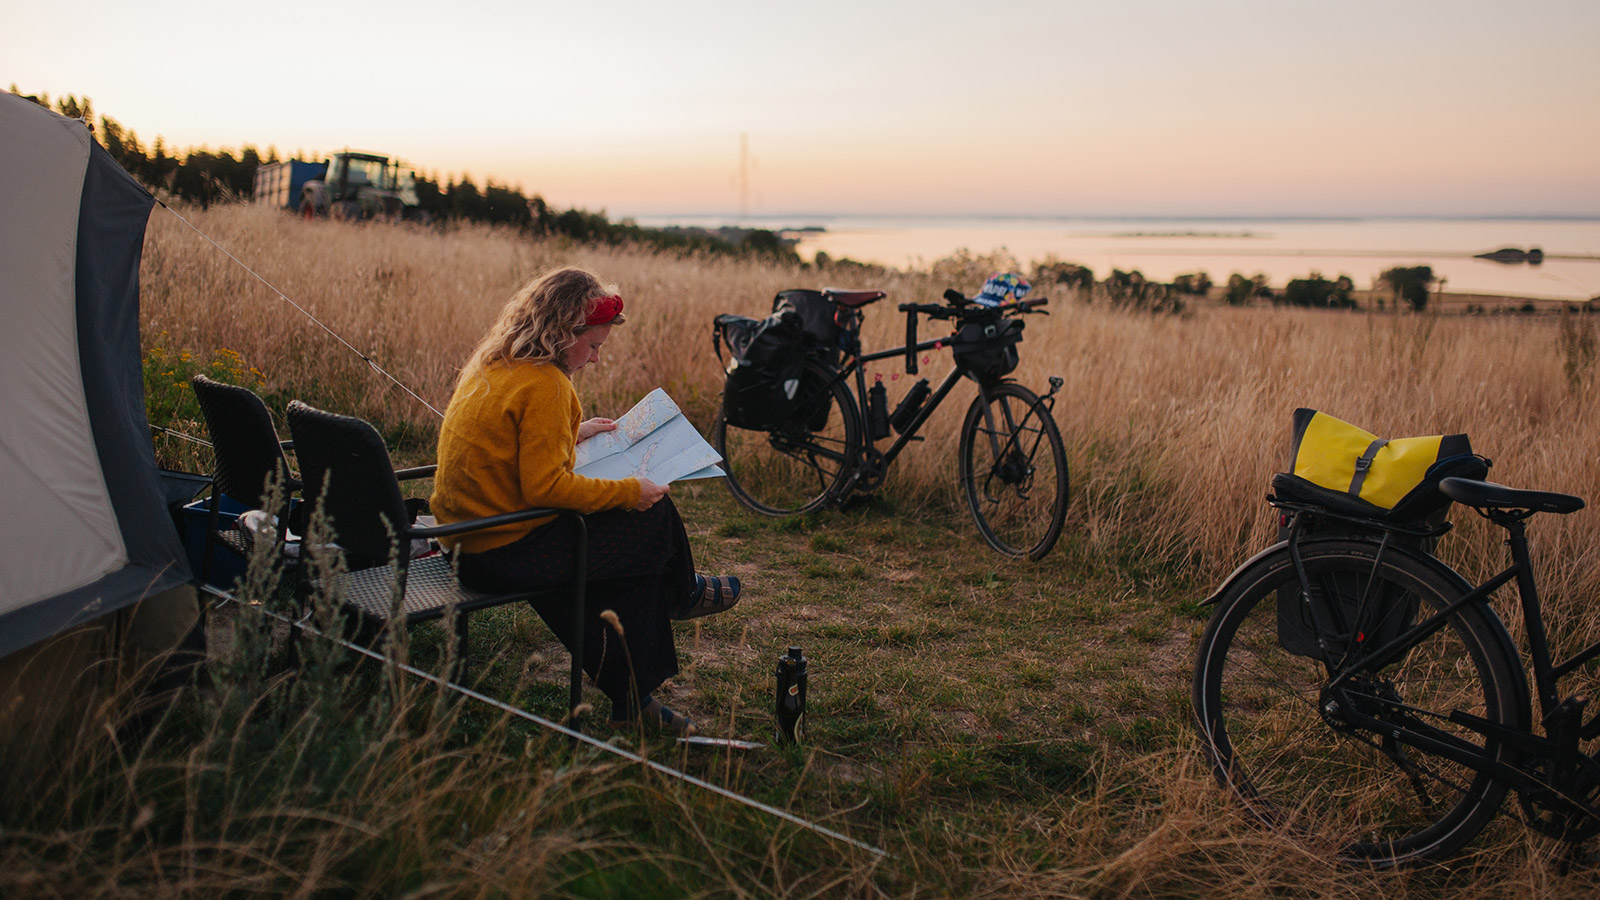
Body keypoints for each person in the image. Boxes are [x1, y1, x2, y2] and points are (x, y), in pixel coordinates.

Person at [430, 267, 741, 736]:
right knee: (650, 522)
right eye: (593, 346)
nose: (595, 359)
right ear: (560, 332)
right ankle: (683, 593)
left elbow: (509, 444)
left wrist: (573, 434)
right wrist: (630, 491)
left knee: (612, 555)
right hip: (501, 550)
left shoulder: (496, 361)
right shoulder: (548, 385)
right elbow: (546, 490)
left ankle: (634, 699)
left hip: (463, 541)